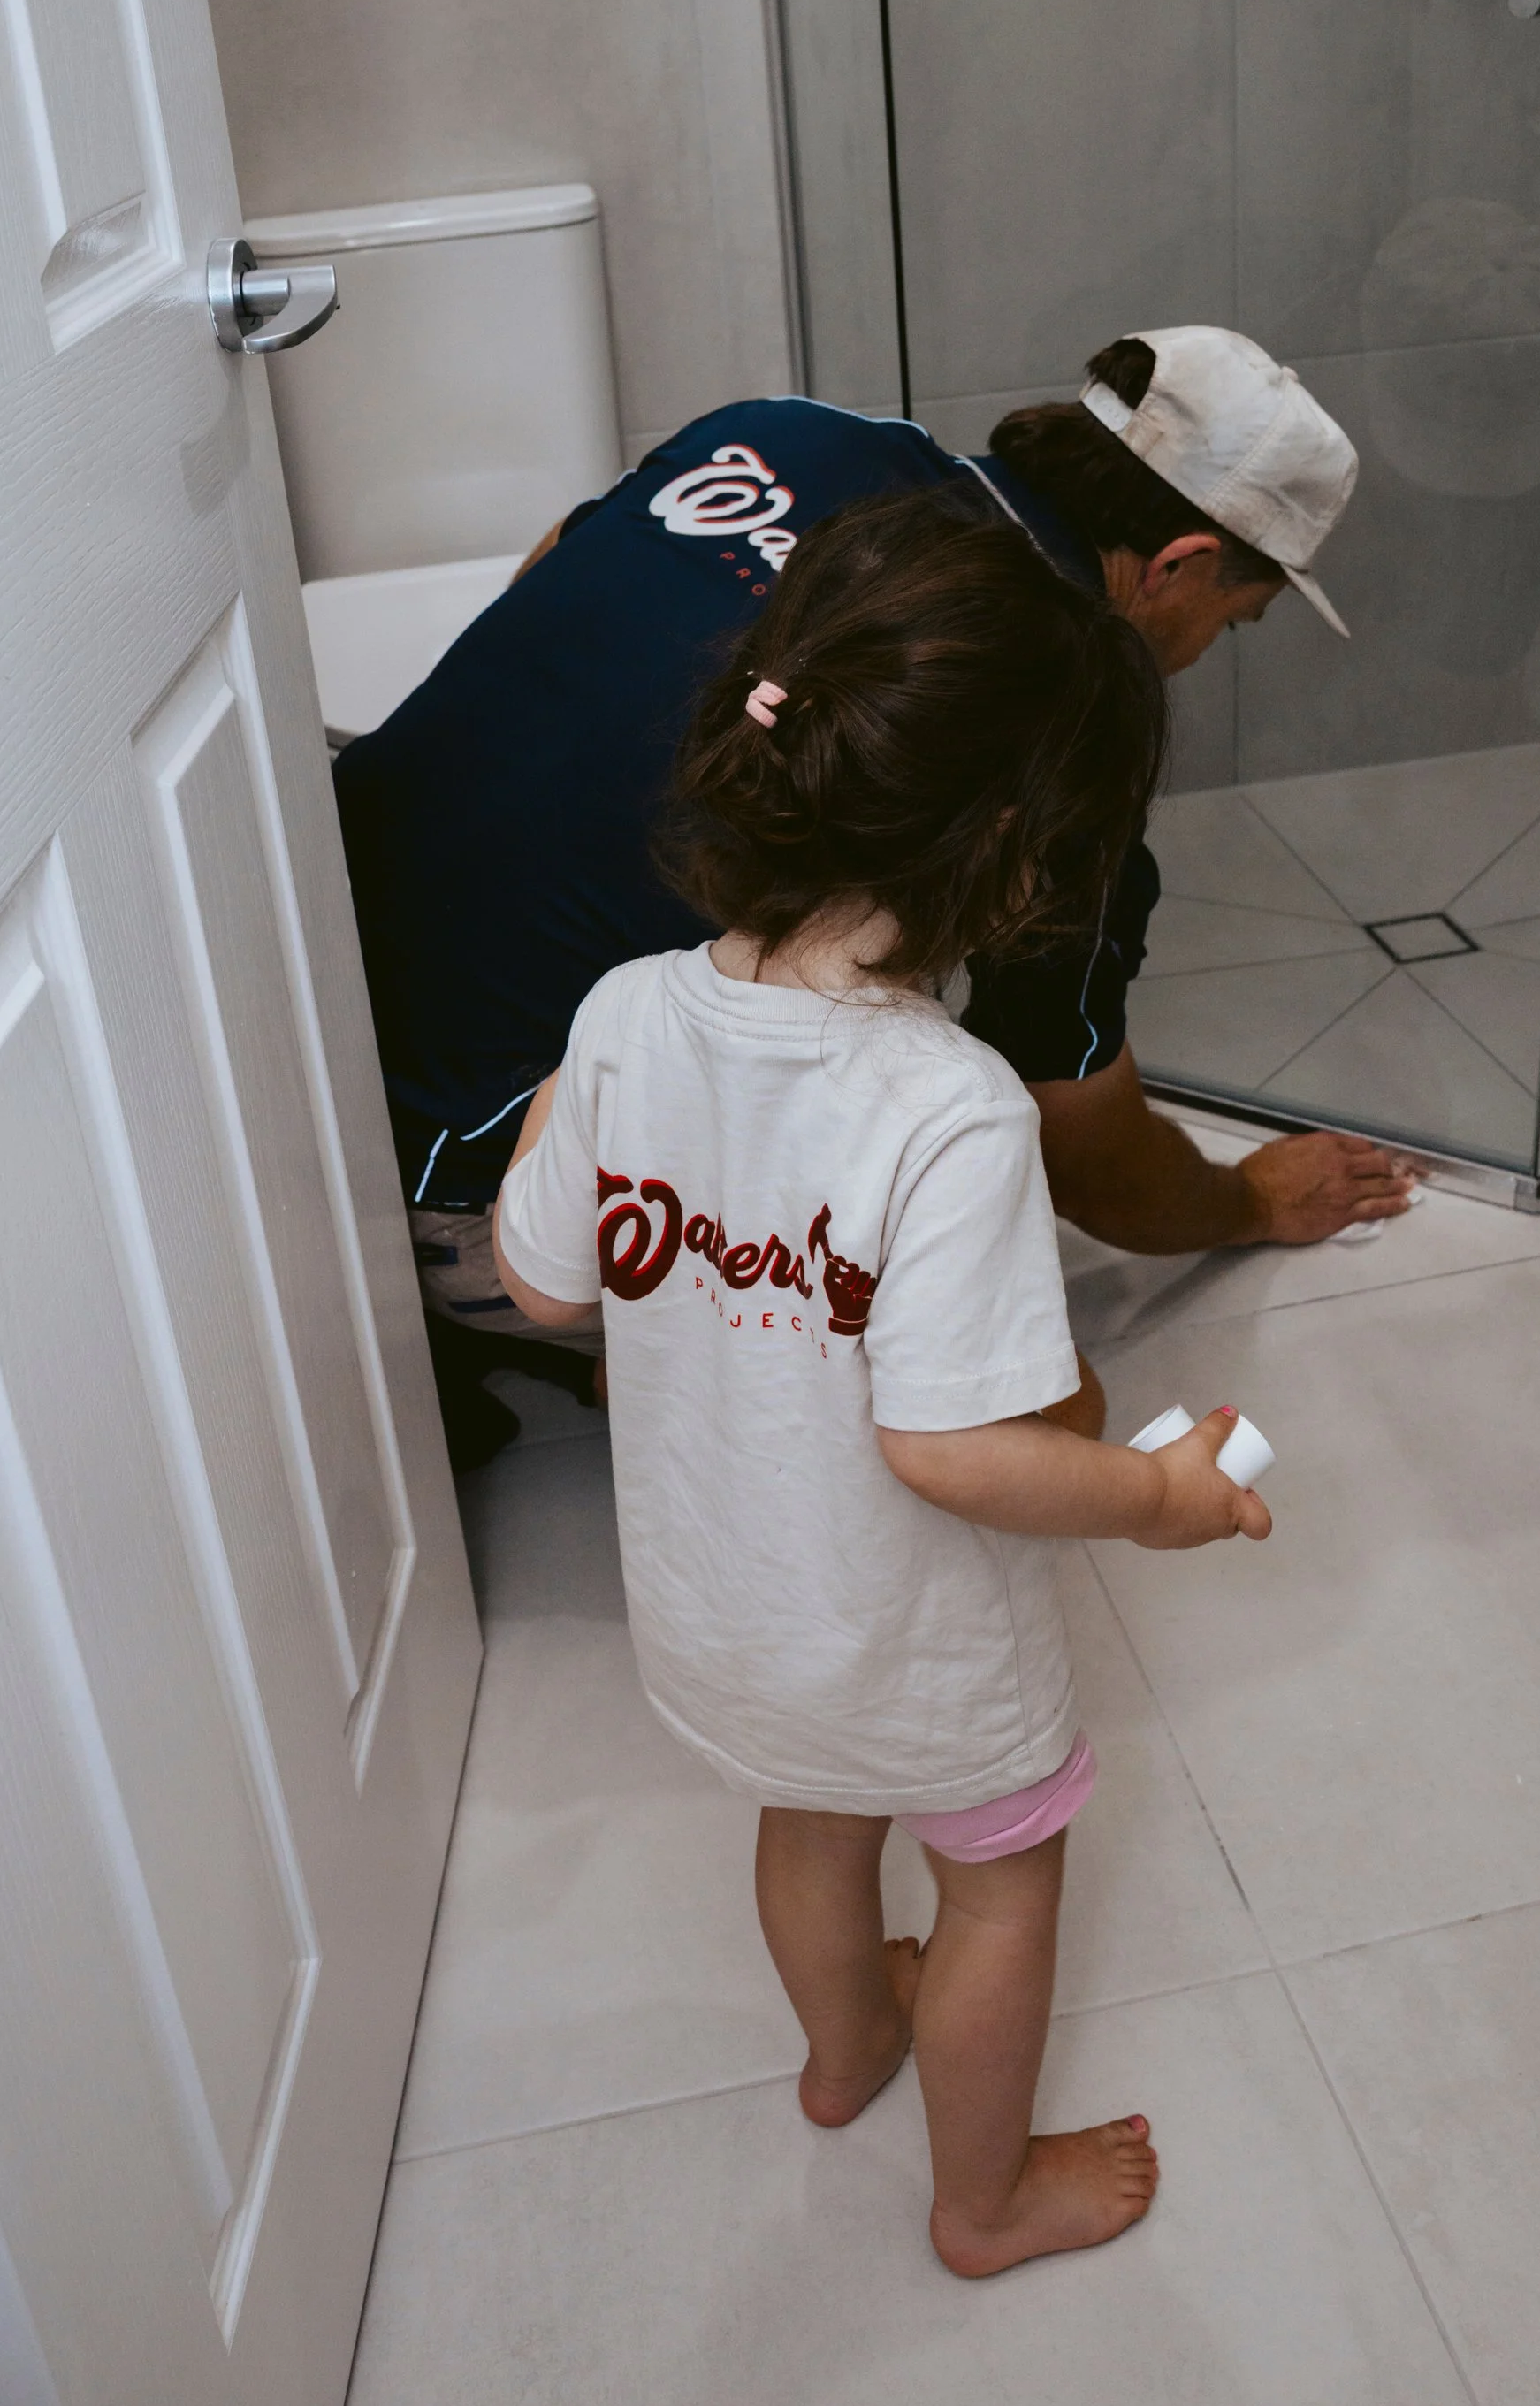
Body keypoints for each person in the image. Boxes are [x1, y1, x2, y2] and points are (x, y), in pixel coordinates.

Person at [490, 487, 1272, 2276]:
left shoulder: (619, 1012)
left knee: (808, 1816)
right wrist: (1156, 1494)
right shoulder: (947, 1104)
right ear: (1004, 848)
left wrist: (590, 1088)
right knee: (995, 1877)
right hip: (905, 1635)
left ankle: (846, 2052)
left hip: (719, 1605)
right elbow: (951, 1441)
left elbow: (540, 1278)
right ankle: (984, 2200)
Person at [332, 324, 1413, 1449]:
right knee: (997, 1377)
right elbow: (1091, 1164)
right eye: (1231, 622)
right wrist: (1246, 1200)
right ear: (1180, 563)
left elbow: (552, 567)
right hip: (458, 1198)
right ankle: (518, 1332)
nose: (1201, 652)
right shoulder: (1054, 754)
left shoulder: (781, 433)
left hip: (289, 1007)